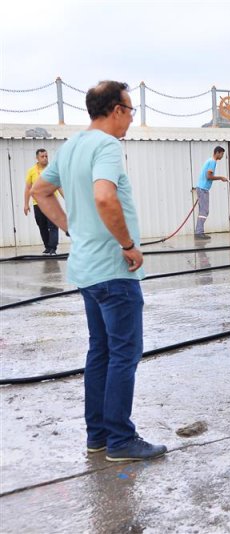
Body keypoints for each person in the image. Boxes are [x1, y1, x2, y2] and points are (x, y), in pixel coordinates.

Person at [31, 80, 167, 462]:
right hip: (113, 268)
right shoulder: (107, 146)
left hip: (87, 270)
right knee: (124, 353)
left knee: (101, 352)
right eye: (130, 110)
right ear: (116, 110)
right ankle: (121, 439)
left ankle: (99, 436)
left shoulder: (72, 146)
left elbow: (41, 191)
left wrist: (73, 227)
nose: (130, 119)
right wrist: (127, 245)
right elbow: (105, 196)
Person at [24, 149, 60, 255]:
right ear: (37, 158)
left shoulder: (52, 169)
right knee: (42, 225)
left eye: (46, 156)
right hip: (38, 203)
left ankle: (53, 248)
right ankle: (47, 247)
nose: (45, 158)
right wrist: (26, 204)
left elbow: (59, 186)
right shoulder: (32, 171)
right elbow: (27, 188)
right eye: (42, 157)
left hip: (51, 202)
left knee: (53, 225)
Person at [194, 146, 228, 239]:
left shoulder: (210, 160)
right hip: (203, 189)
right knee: (204, 211)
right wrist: (221, 178)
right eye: (222, 154)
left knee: (203, 211)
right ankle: (199, 233)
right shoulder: (212, 162)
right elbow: (208, 176)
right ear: (217, 152)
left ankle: (199, 232)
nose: (222, 156)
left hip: (202, 189)